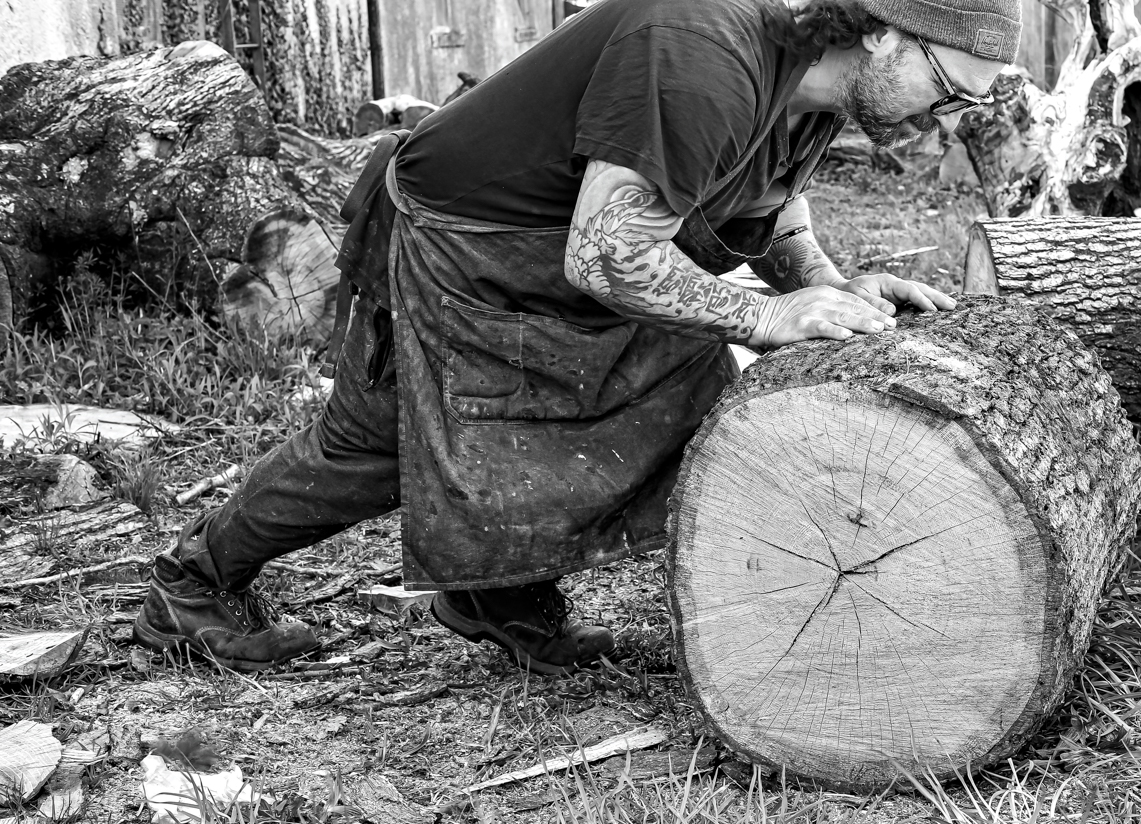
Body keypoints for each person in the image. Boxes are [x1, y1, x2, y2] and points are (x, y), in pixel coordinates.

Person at [132, 0, 1023, 674]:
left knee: (674, 381)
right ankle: (190, 585)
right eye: (946, 91)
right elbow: (605, 253)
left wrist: (828, 289)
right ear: (884, 31)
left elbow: (768, 197)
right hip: (464, 237)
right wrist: (767, 315)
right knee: (377, 443)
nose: (942, 120)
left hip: (558, 246)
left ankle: (493, 587)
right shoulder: (704, 53)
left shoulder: (815, 87)